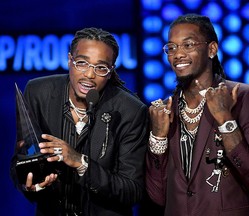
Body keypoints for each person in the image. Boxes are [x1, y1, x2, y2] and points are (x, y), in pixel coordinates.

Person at [10, 27, 149, 216]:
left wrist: (80, 162)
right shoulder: (38, 92)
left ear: (110, 71)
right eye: (82, 63)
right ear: (69, 60)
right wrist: (31, 182)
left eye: (100, 67)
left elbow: (132, 191)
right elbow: (21, 158)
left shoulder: (130, 111)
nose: (89, 75)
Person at [145, 13, 249, 216]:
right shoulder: (164, 110)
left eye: (188, 45)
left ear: (211, 49)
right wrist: (157, 138)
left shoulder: (246, 97)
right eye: (171, 47)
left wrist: (225, 119)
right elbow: (158, 196)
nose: (177, 54)